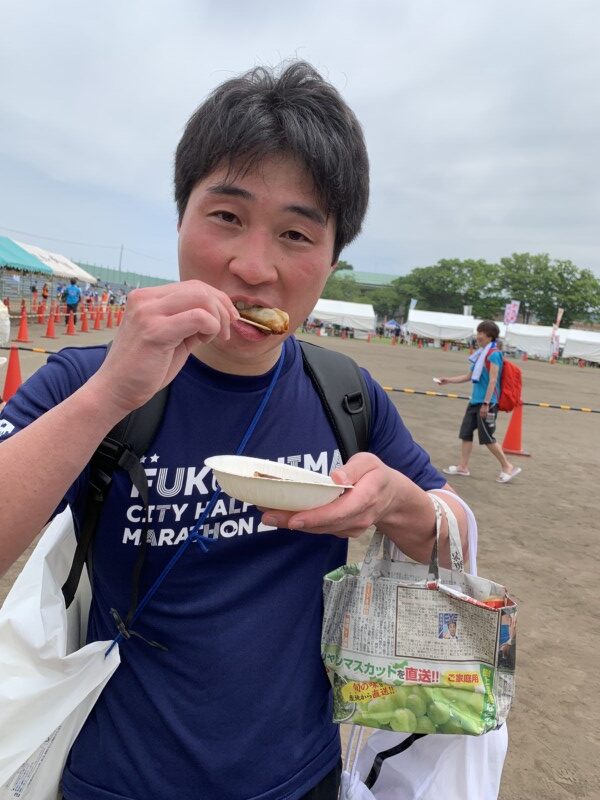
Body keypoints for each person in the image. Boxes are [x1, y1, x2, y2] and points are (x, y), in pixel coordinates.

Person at [0, 62, 472, 800]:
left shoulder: (345, 394)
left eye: (296, 233)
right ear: (180, 218)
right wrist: (110, 394)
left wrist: (396, 502)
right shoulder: (82, 380)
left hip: (300, 776)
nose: (253, 268)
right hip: (114, 778)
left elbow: (456, 536)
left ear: (332, 260)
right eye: (225, 216)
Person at [436, 320, 522, 484]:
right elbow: (468, 376)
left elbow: (493, 380)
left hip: (487, 403)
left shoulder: (494, 354)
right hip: (475, 401)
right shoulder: (480, 354)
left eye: (481, 333)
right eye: (478, 332)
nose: (478, 336)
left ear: (490, 336)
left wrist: (486, 403)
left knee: (487, 437)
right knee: (466, 433)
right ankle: (463, 467)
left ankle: (507, 466)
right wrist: (448, 380)